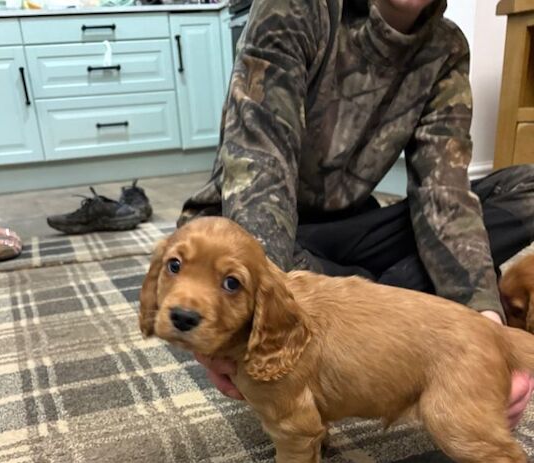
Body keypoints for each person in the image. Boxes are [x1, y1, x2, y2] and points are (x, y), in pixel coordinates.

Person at [178, 0, 534, 427]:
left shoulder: (447, 47)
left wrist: (486, 325)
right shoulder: (297, 8)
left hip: (352, 225)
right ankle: (386, 307)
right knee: (287, 284)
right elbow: (260, 168)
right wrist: (249, 310)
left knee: (524, 187)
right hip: (265, 240)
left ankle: (376, 303)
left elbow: (444, 194)